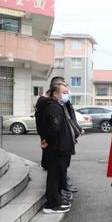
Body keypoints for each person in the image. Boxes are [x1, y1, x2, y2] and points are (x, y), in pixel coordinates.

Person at [36, 76, 81, 195]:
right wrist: (45, 138)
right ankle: (57, 195)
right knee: (55, 170)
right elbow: (46, 124)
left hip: (63, 140)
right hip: (56, 142)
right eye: (64, 90)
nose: (67, 93)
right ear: (55, 91)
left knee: (62, 167)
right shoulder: (47, 103)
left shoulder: (62, 102)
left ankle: (61, 188)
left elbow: (69, 118)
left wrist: (76, 129)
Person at [41, 83, 76, 214]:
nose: (67, 95)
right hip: (57, 148)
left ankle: (56, 200)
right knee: (54, 176)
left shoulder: (57, 106)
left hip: (60, 147)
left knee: (57, 175)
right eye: (64, 92)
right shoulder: (54, 107)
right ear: (55, 94)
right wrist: (47, 140)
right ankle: (51, 205)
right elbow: (54, 128)